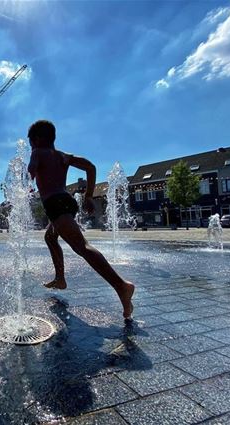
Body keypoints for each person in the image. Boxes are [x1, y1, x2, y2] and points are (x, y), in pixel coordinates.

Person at [27, 120, 135, 320]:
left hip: (55, 204)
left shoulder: (38, 152)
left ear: (37, 139)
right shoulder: (63, 156)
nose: (31, 146)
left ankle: (121, 286)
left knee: (82, 247)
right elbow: (90, 167)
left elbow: (30, 173)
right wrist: (88, 196)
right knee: (50, 237)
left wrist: (25, 185)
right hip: (66, 201)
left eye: (31, 142)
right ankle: (60, 278)